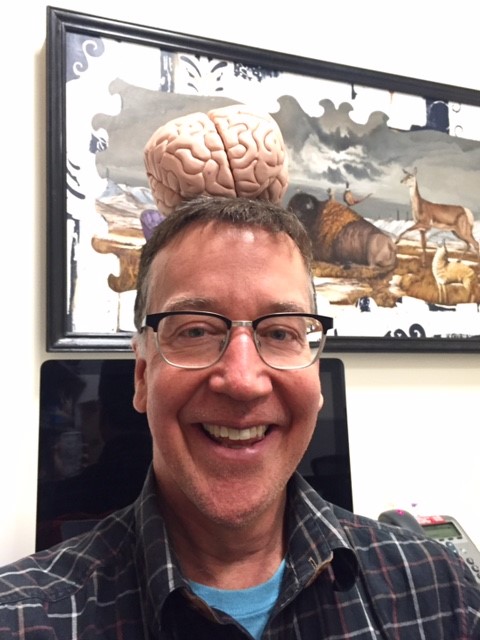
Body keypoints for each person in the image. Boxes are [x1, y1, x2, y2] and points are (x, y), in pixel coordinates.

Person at [0, 195, 479, 639]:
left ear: (315, 375)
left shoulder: (441, 591)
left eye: (281, 333)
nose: (244, 380)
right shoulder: (24, 619)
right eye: (195, 331)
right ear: (142, 376)